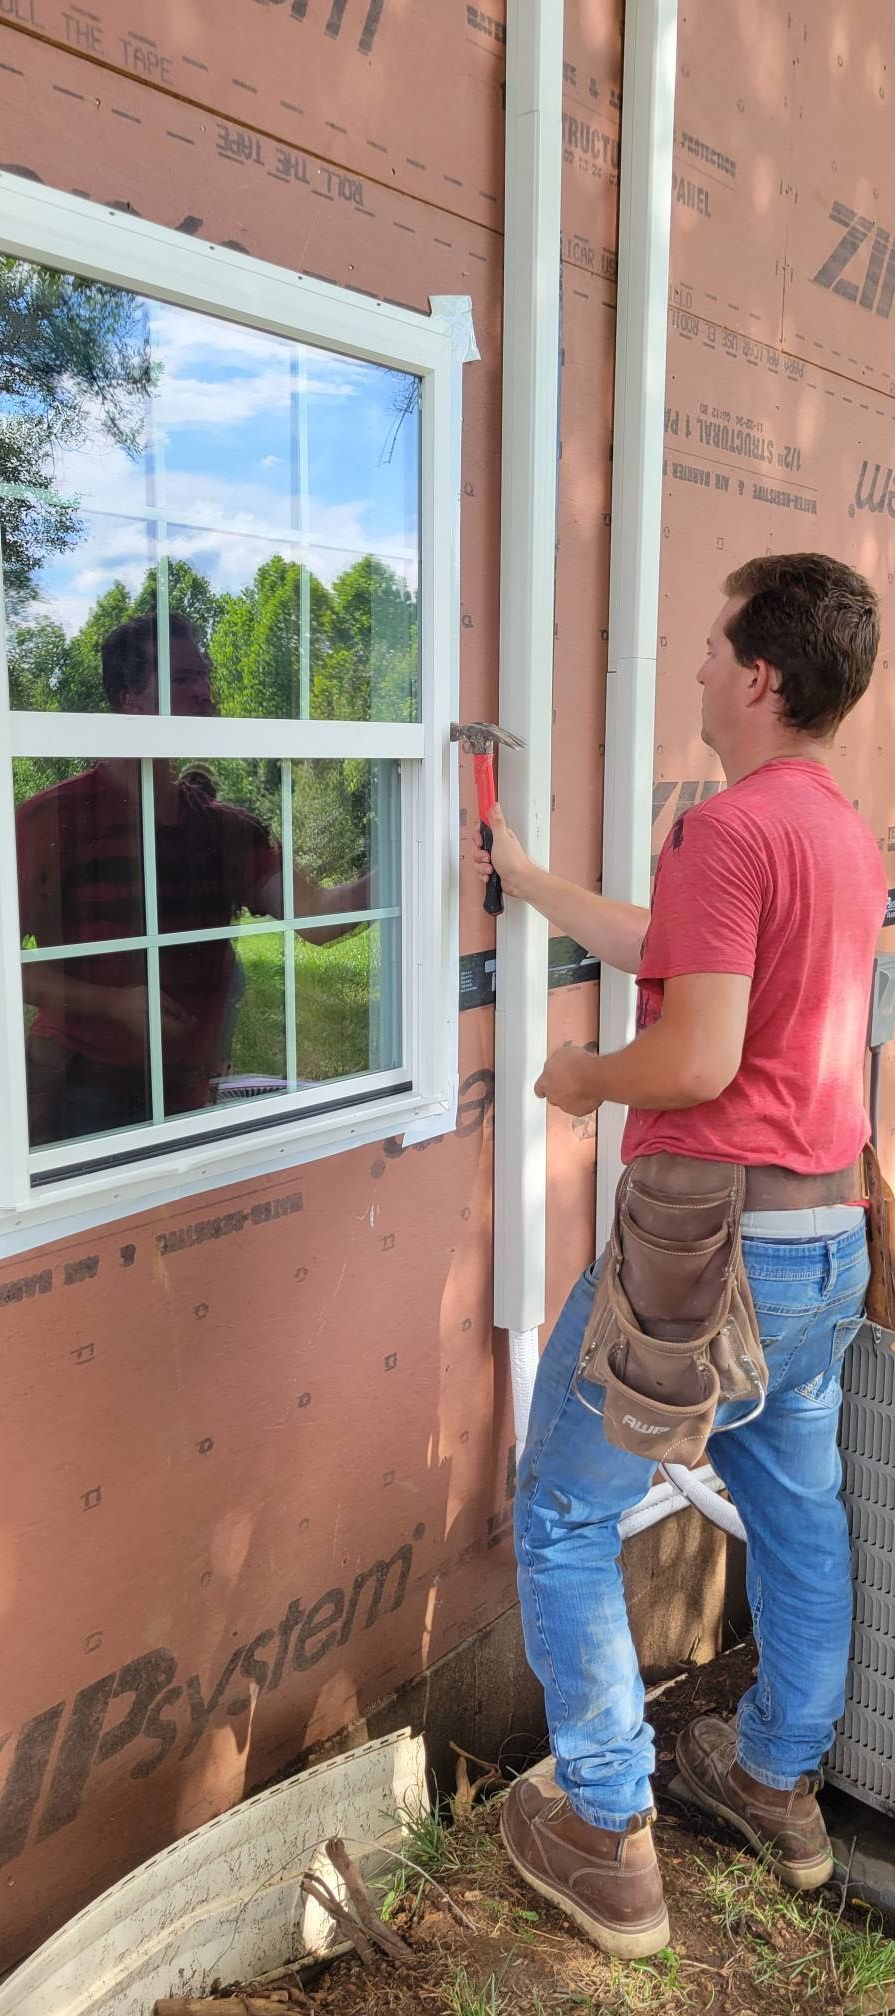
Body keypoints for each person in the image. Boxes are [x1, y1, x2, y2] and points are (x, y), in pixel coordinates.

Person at [473, 553, 887, 1959]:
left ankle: (604, 1834)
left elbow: (698, 1048)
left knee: (565, 1511)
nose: (699, 667)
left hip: (714, 1253)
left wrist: (589, 1082)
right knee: (798, 1512)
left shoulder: (729, 829)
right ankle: (776, 1781)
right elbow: (677, 951)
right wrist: (530, 883)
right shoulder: (834, 832)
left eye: (713, 649)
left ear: (760, 678)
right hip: (825, 1241)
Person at [17, 613, 371, 1145]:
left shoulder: (225, 830)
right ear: (128, 698)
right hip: (76, 1091)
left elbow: (318, 918)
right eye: (182, 679)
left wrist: (417, 851)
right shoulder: (51, 822)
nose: (205, 692)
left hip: (190, 1092)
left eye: (203, 674)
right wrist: (111, 1004)